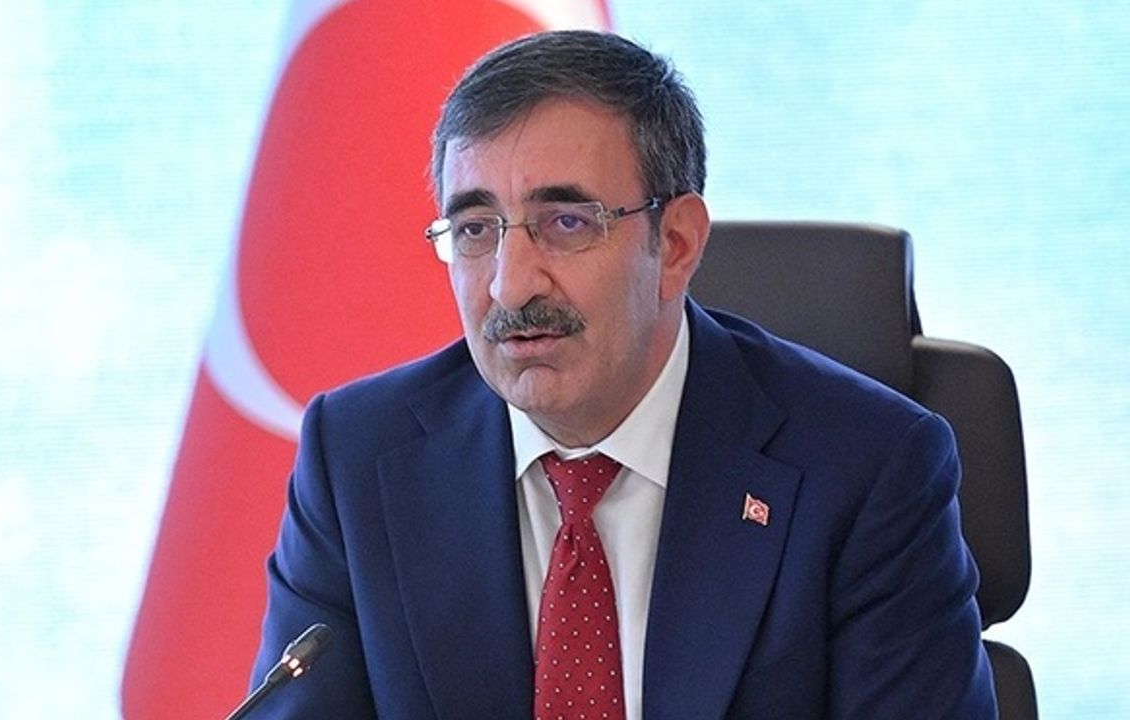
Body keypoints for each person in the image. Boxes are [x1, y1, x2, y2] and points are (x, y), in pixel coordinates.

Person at [250, 30, 997, 719]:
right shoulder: (359, 458)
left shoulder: (867, 467)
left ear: (675, 245)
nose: (510, 285)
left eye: (566, 223)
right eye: (475, 230)